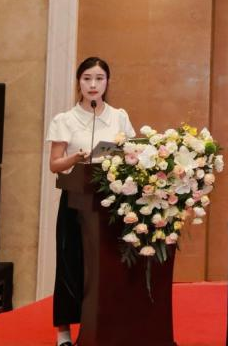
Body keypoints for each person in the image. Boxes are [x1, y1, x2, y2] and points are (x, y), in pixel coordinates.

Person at [46, 57, 136, 346]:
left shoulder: (119, 117)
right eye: (87, 78)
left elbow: (132, 152)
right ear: (79, 82)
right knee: (71, 261)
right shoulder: (65, 119)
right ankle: (63, 332)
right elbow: (55, 164)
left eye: (99, 78)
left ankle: (108, 326)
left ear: (107, 82)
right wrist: (75, 158)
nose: (93, 85)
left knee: (107, 265)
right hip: (76, 202)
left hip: (112, 201)